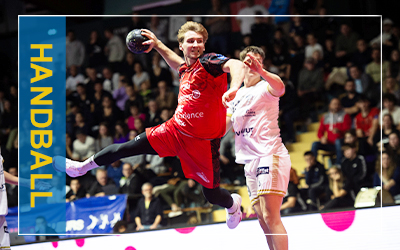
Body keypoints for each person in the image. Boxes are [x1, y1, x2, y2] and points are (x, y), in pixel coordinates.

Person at [53, 21, 247, 229]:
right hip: (174, 131)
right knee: (125, 148)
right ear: (181, 45)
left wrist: (234, 87)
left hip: (202, 144)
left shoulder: (209, 61)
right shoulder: (186, 69)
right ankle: (81, 168)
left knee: (212, 194)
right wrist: (157, 45)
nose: (196, 45)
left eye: (199, 41)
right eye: (190, 41)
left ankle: (233, 206)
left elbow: (237, 65)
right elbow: (176, 64)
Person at [226, 46, 289, 250]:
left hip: (269, 154)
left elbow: (280, 88)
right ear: (242, 65)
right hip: (249, 161)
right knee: (262, 219)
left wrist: (262, 72)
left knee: (271, 215)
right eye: (249, 61)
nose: (253, 65)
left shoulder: (265, 87)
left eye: (258, 62)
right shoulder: (235, 95)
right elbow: (223, 127)